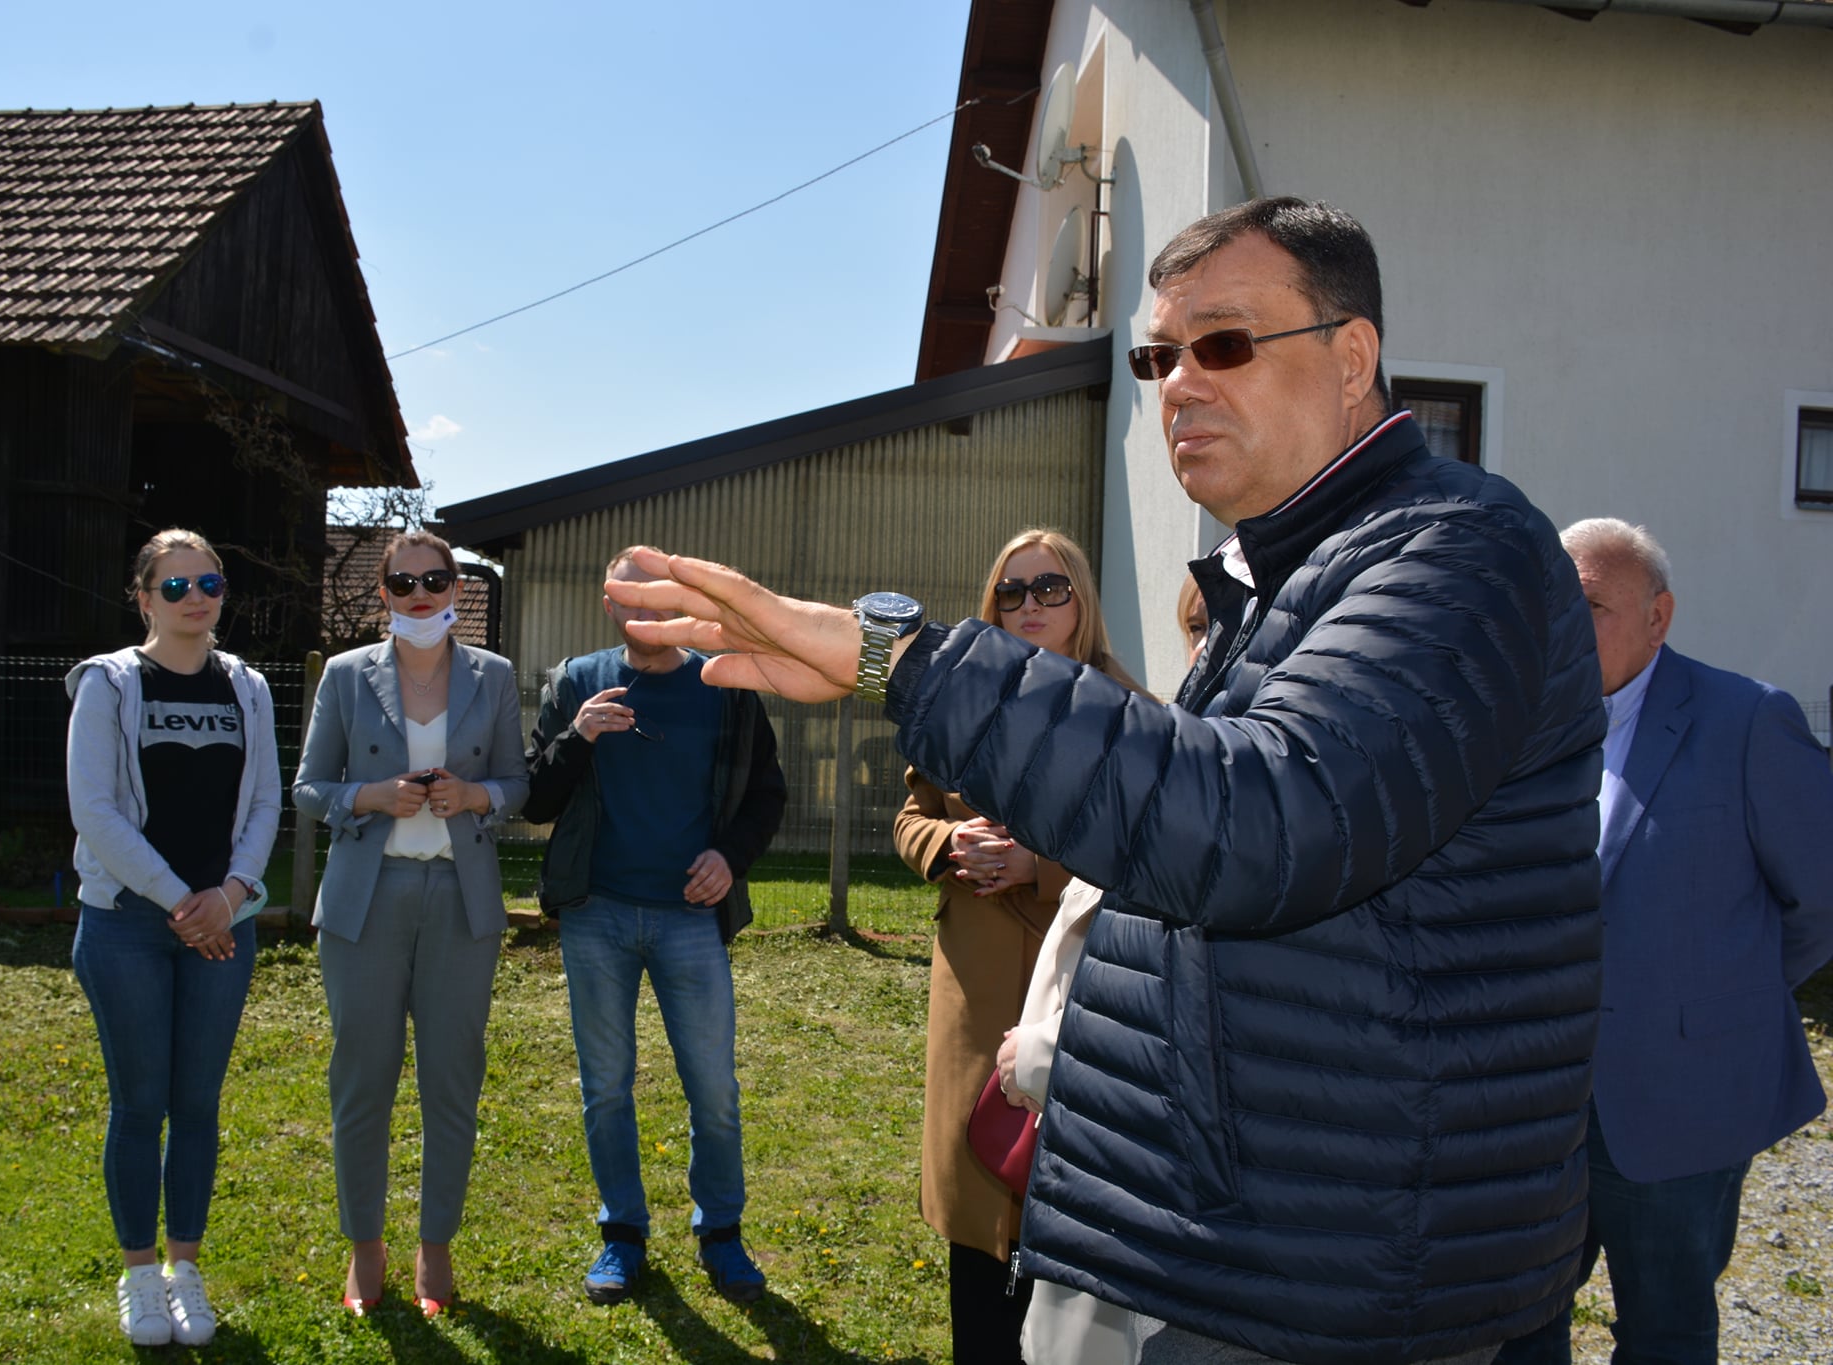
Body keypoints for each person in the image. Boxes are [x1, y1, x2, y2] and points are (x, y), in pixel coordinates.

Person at [603, 197, 1608, 1365]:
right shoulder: (1286, 575)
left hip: (1321, 1280)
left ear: (1351, 359)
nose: (1178, 384)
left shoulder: (1454, 548)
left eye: (1222, 343)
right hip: (1213, 1235)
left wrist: (899, 659)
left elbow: (1262, 822)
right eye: (1156, 356)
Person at [1494, 518, 1833, 1365]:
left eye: (1594, 606)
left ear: (1659, 616)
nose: (1568, 628)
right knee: (1512, 1322)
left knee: (1667, 1330)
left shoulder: (1749, 719)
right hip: (1540, 1107)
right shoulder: (1520, 725)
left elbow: (1820, 896)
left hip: (1684, 1103)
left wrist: (1720, 994)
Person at [896, 528, 1142, 1364]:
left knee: (1062, 1212)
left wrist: (1038, 865)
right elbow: (909, 817)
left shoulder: (1126, 709)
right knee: (976, 1201)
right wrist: (946, 845)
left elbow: (1147, 841)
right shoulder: (957, 698)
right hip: (975, 980)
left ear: (1082, 600)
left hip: (1078, 985)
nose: (1030, 604)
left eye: (1050, 587)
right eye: (1012, 590)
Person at [519, 544, 787, 1307]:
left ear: (680, 603)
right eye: (629, 602)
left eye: (658, 600)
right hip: (595, 915)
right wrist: (580, 734)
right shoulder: (577, 680)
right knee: (606, 1086)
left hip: (690, 919)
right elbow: (535, 800)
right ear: (610, 606)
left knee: (714, 1088)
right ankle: (622, 1234)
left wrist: (729, 857)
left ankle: (722, 1233)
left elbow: (768, 794)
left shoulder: (722, 685)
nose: (645, 614)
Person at [291, 529, 528, 1318]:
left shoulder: (492, 674)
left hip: (462, 901)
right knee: (361, 1078)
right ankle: (366, 1247)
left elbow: (515, 781)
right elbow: (309, 786)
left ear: (457, 587)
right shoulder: (345, 675)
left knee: (451, 1079)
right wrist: (369, 796)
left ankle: (435, 1247)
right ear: (385, 590)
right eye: (404, 580)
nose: (420, 591)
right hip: (365, 899)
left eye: (436, 577)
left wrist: (476, 797)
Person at [66, 528, 280, 1347]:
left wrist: (229, 896)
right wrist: (179, 902)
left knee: (197, 1105)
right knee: (140, 1104)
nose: (197, 597)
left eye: (211, 582)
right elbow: (96, 809)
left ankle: (186, 1270)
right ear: (144, 595)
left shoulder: (249, 686)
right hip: (127, 923)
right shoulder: (110, 683)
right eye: (178, 584)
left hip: (222, 926)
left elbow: (264, 802)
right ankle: (139, 1276)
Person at [996, 573, 1214, 1365]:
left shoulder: (1143, 732)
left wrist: (1047, 1058)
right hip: (1067, 1134)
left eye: (1048, 587)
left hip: (1151, 1206)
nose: (1209, 648)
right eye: (1197, 626)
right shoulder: (1175, 742)